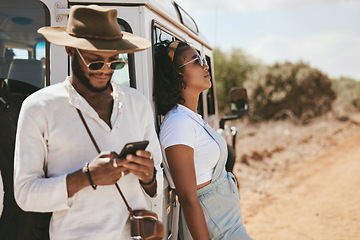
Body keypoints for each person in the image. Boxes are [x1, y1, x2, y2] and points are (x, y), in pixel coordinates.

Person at [13, 5, 163, 240]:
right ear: (71, 50)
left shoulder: (137, 103)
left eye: (114, 63)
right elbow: (25, 195)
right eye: (95, 63)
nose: (105, 70)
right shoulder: (39, 107)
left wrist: (149, 177)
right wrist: (87, 178)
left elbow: (157, 184)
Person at [154, 40, 252, 240]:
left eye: (203, 60)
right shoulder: (178, 124)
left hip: (228, 227)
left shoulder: (190, 118)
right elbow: (188, 199)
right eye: (196, 61)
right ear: (178, 74)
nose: (205, 65)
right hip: (217, 231)